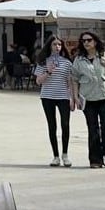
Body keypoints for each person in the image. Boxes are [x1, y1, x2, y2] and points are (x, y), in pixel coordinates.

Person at [71, 31, 105, 169]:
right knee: (93, 129)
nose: (86, 43)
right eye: (83, 41)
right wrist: (75, 97)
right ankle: (95, 159)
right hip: (88, 98)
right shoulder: (79, 60)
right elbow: (74, 79)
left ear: (95, 41)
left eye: (89, 40)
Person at [34, 36, 74, 167]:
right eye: (54, 44)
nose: (57, 47)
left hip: (63, 97)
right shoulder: (43, 62)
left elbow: (70, 82)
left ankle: (65, 154)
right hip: (47, 96)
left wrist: (72, 98)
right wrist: (48, 72)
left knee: (65, 125)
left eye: (59, 45)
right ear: (49, 46)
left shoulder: (67, 63)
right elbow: (38, 81)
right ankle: (55, 156)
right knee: (52, 125)